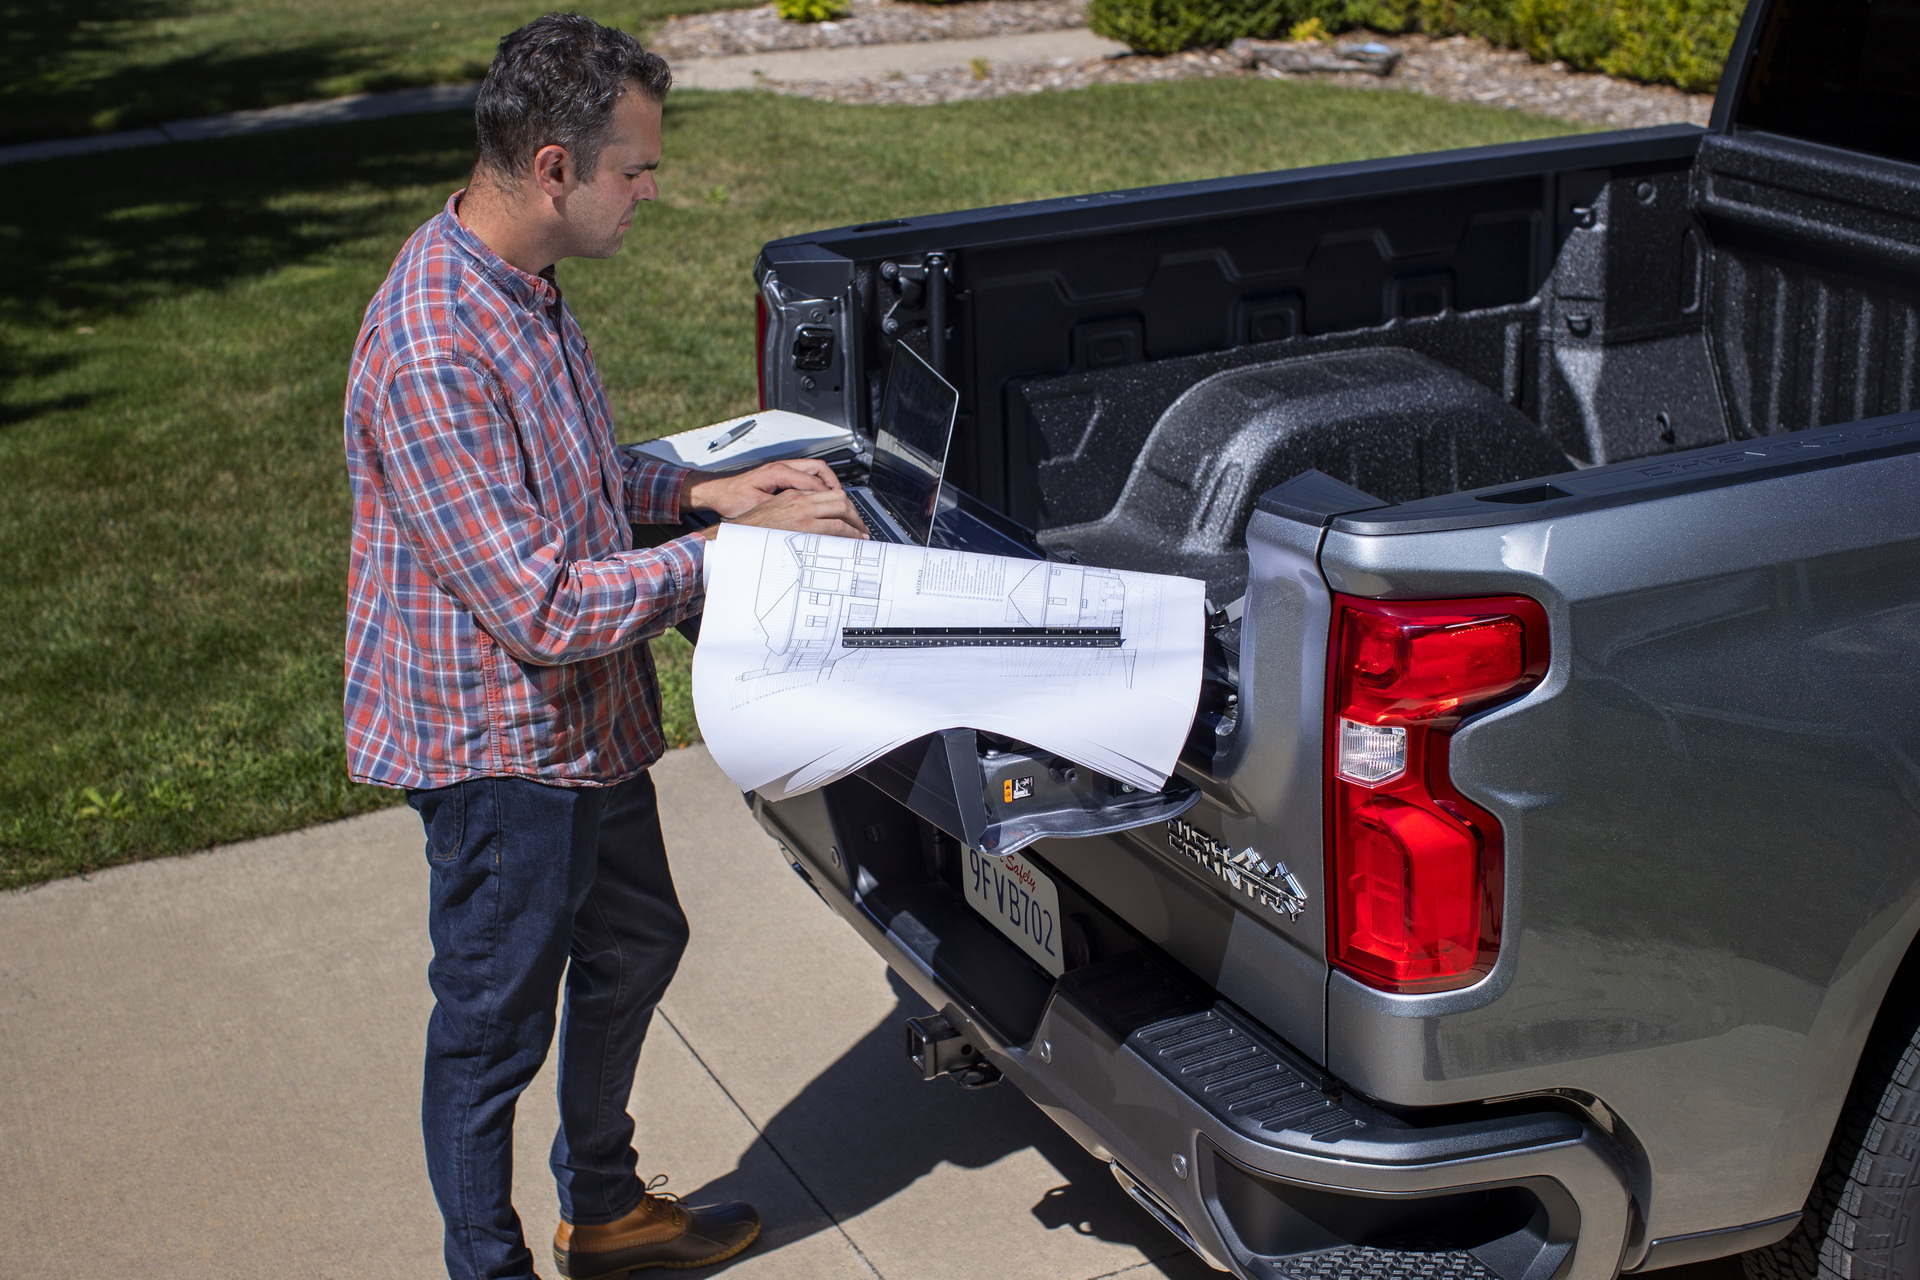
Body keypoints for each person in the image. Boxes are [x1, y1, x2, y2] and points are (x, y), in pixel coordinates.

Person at [341, 14, 867, 1280]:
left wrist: (702, 491)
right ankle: (490, 1264)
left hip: (582, 724)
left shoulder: (520, 285)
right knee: (492, 1028)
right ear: (554, 169)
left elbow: (569, 476)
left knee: (637, 939)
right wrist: (730, 552)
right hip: (500, 750)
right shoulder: (432, 346)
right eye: (635, 169)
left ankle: (608, 1208)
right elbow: (538, 606)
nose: (649, 190)